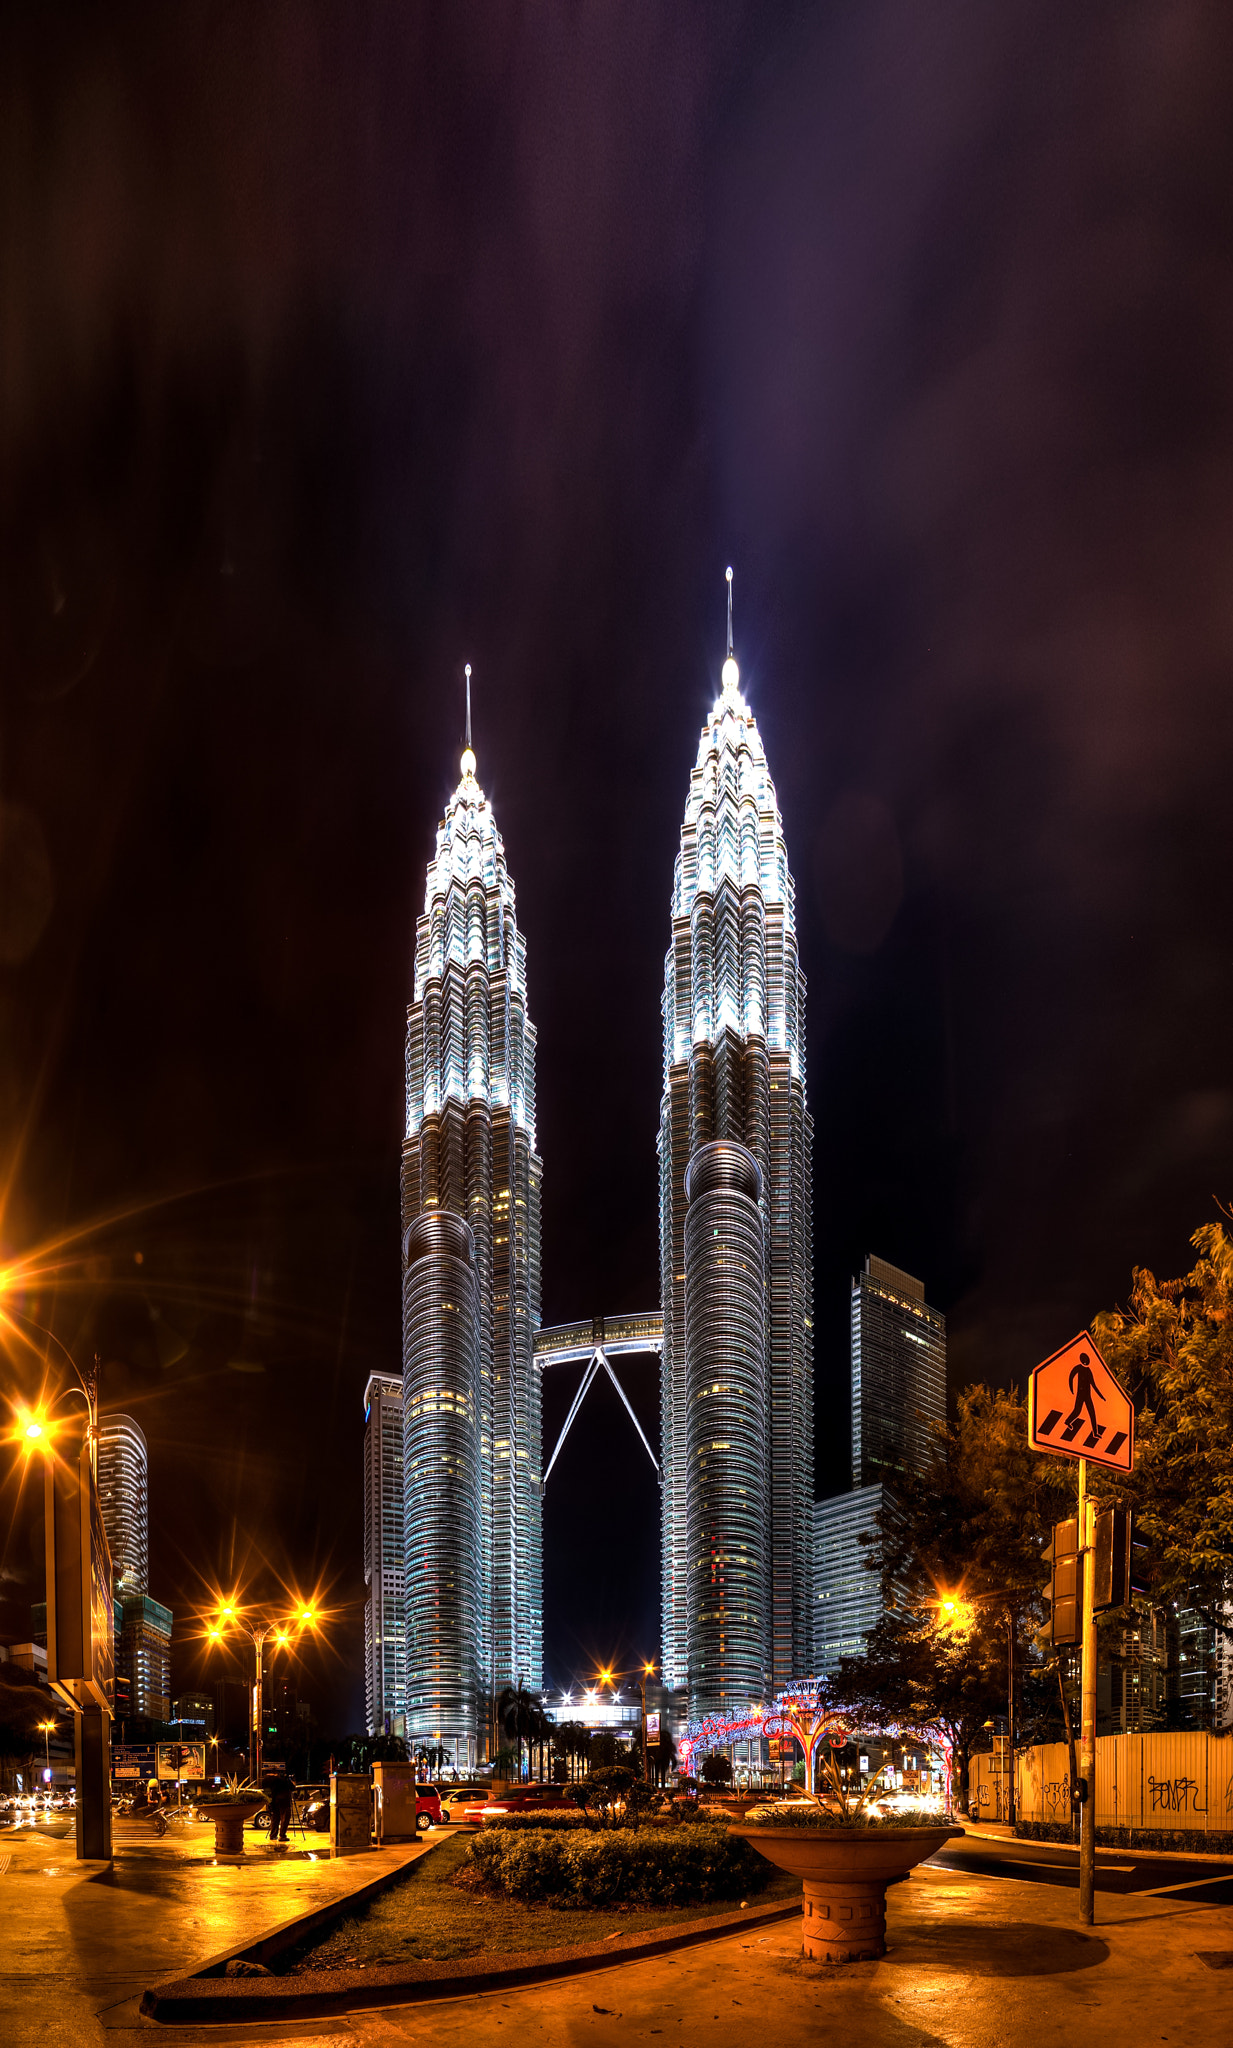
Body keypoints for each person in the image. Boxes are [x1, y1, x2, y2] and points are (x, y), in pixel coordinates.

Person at [263, 1764, 296, 1842]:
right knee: (285, 1818)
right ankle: (282, 1835)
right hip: (284, 1801)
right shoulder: (283, 1780)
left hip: (274, 1801)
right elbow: (292, 1788)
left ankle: (273, 1835)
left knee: (275, 1818)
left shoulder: (267, 1780)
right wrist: (290, 1781)